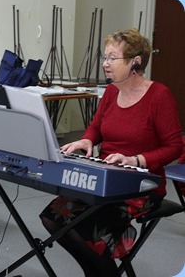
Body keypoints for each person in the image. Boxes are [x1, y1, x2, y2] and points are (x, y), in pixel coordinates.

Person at [40, 28, 183, 276]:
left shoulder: (159, 96)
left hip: (142, 185)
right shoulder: (112, 90)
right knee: (52, 217)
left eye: (111, 58)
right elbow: (96, 126)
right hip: (107, 178)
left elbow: (175, 147)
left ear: (135, 62)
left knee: (84, 228)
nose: (105, 64)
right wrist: (86, 140)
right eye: (104, 58)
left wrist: (135, 159)